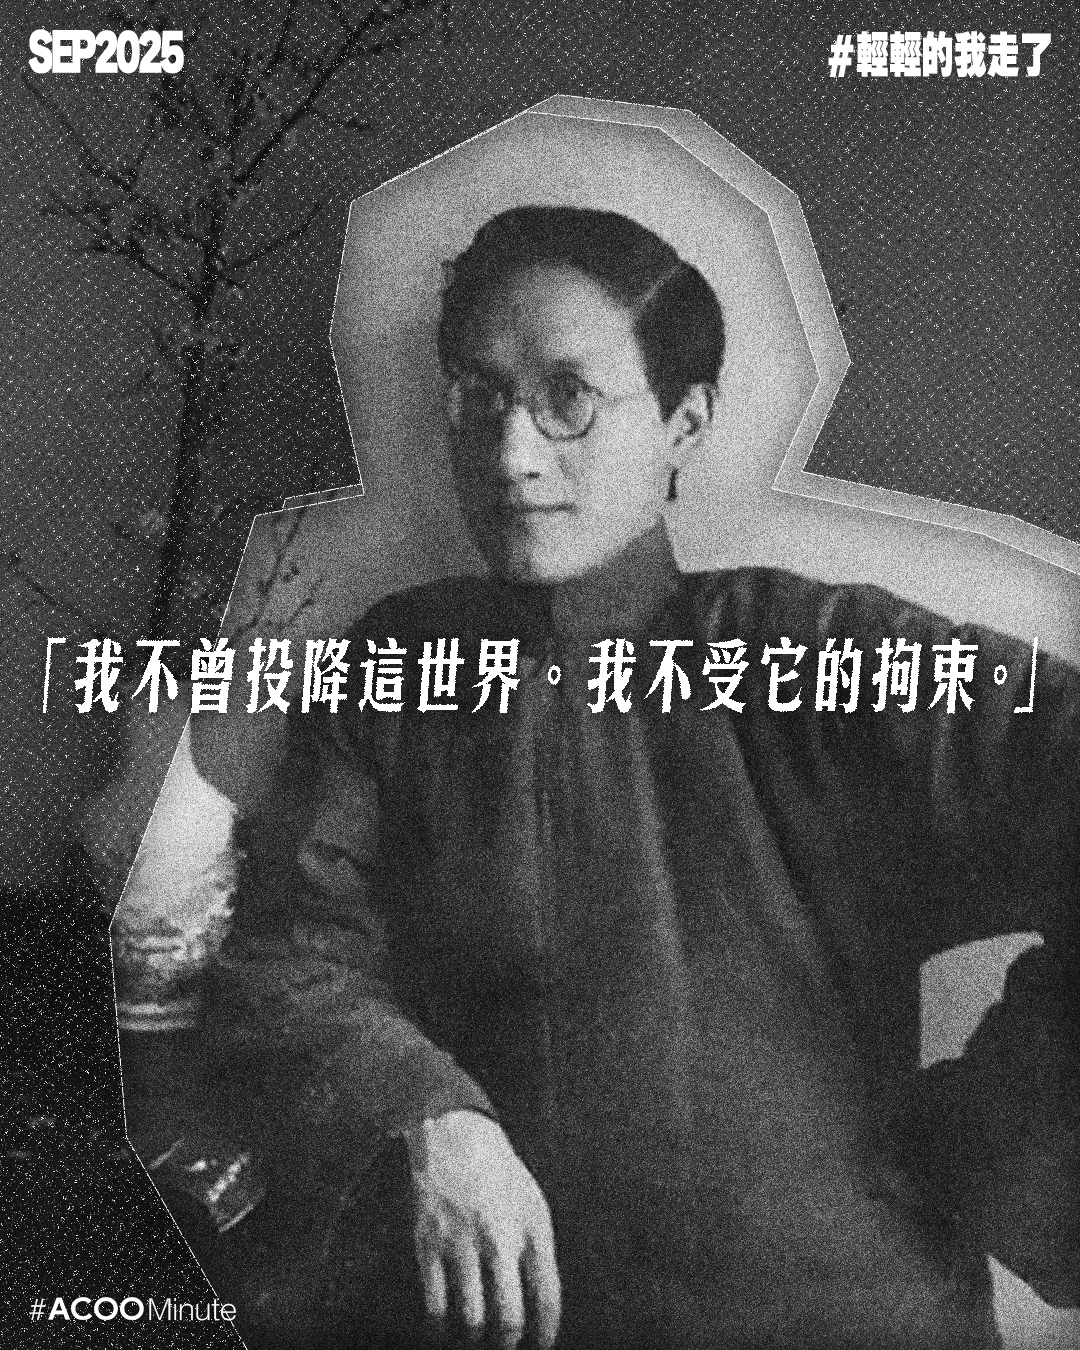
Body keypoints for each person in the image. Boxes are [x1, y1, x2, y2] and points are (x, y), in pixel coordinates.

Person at [206, 205, 1080, 1349]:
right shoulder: (403, 665)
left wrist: (1003, 1142)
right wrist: (424, 1116)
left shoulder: (814, 654)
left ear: (685, 419)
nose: (512, 456)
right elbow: (288, 956)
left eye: (569, 398)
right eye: (479, 397)